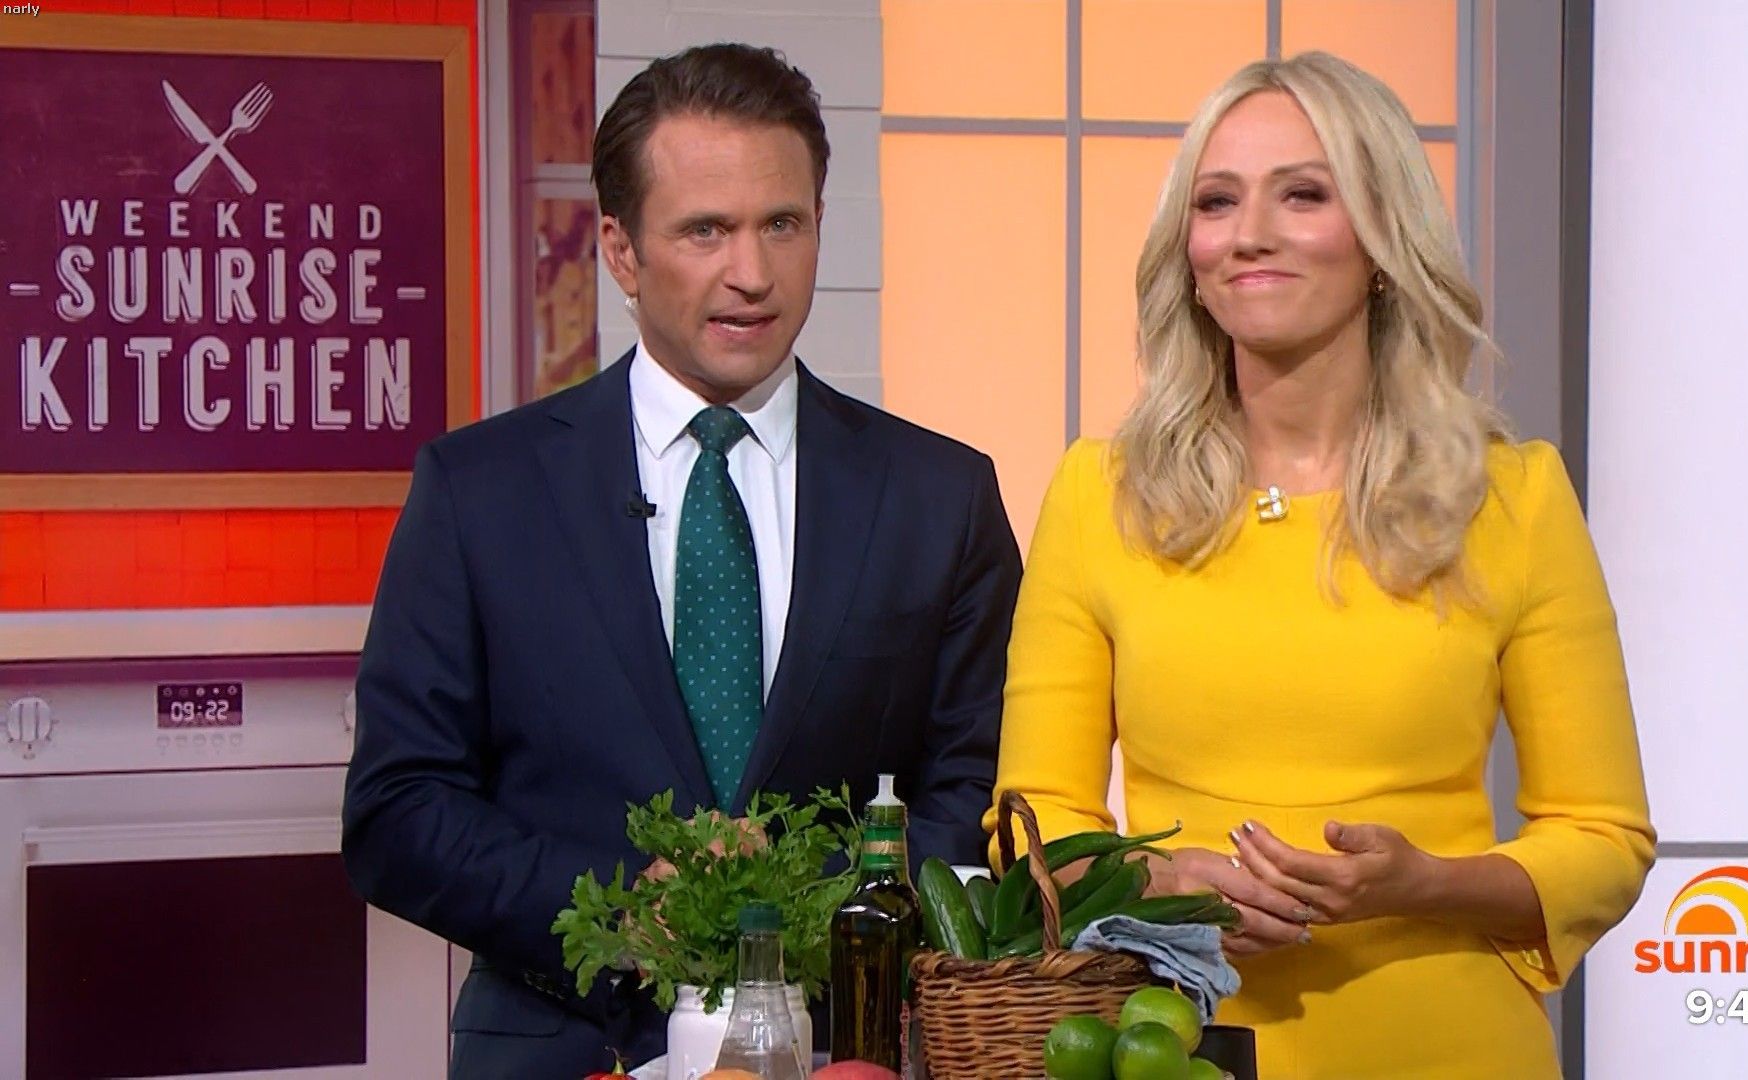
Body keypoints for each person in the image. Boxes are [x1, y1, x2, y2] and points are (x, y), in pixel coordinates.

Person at [343, 43, 1022, 1078]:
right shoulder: (479, 491)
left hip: (850, 1049)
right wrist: (633, 912)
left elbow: (974, 789)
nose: (751, 273)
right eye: (705, 230)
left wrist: (800, 917)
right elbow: (399, 812)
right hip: (564, 1046)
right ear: (619, 251)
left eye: (782, 225)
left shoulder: (940, 496)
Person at [988, 52, 1655, 1078]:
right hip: (1178, 1042)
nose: (1249, 232)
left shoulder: (1511, 498)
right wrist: (1158, 882)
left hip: (1448, 1046)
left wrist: (1424, 884)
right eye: (1217, 202)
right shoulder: (1099, 495)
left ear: (1384, 240)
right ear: (1189, 255)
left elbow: (1603, 838)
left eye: (1303, 194)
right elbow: (1028, 824)